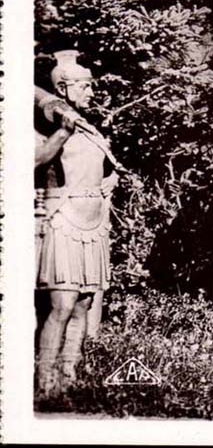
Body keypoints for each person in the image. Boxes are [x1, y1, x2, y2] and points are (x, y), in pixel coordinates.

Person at [34, 50, 118, 392]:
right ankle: (45, 379)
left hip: (93, 224)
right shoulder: (48, 126)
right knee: (63, 304)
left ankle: (69, 378)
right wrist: (63, 133)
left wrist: (110, 179)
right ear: (64, 89)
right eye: (84, 87)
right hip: (63, 221)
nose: (91, 92)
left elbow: (101, 170)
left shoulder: (91, 128)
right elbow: (34, 160)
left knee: (83, 304)